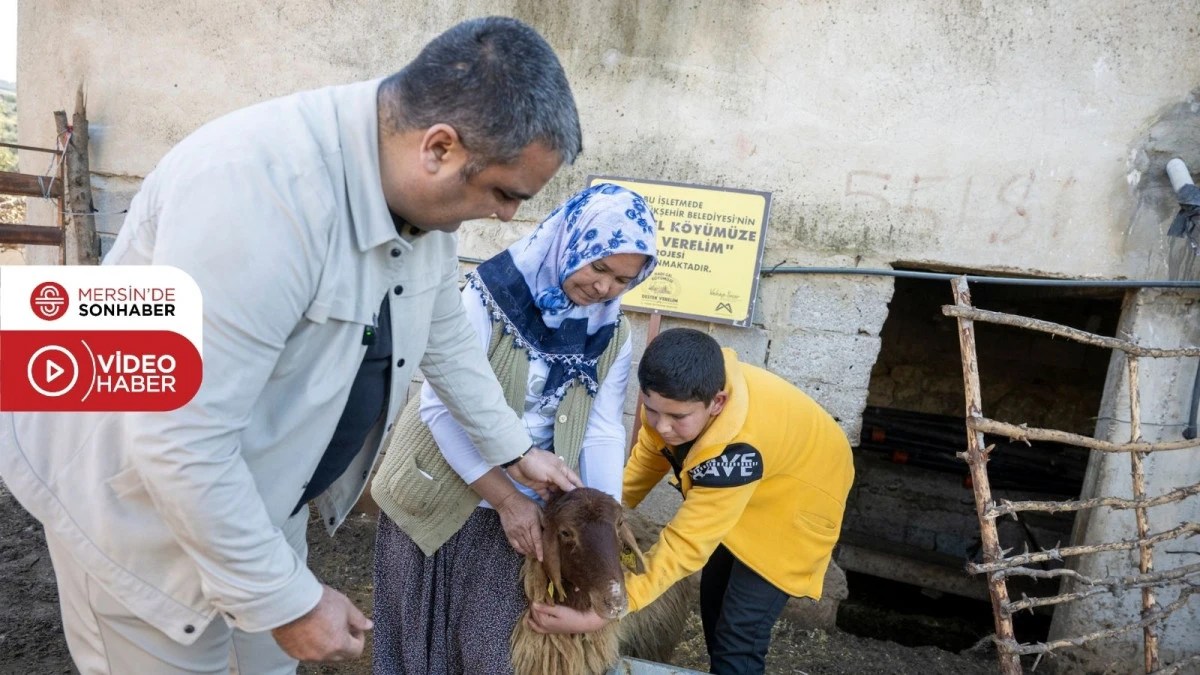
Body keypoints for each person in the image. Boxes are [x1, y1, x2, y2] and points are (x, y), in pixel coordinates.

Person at [0, 17, 588, 675]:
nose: (508, 215)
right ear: (440, 148)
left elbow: (442, 330)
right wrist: (285, 601)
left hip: (257, 492)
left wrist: (514, 447)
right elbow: (178, 437)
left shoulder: (417, 201)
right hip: (137, 508)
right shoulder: (255, 194)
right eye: (505, 193)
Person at [369, 183, 658, 674]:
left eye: (623, 280)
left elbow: (604, 428)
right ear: (572, 243)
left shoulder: (612, 332)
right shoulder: (489, 297)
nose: (605, 288)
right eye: (599, 267)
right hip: (441, 490)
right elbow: (440, 409)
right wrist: (506, 498)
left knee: (492, 654)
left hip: (528, 510)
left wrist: (599, 516)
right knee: (417, 644)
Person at [529, 328, 855, 675]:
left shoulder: (735, 454)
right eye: (652, 410)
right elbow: (649, 458)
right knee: (714, 605)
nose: (663, 426)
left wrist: (608, 609)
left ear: (717, 403)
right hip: (758, 481)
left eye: (678, 418)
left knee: (739, 635)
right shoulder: (676, 401)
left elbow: (685, 545)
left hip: (798, 504)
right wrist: (596, 513)